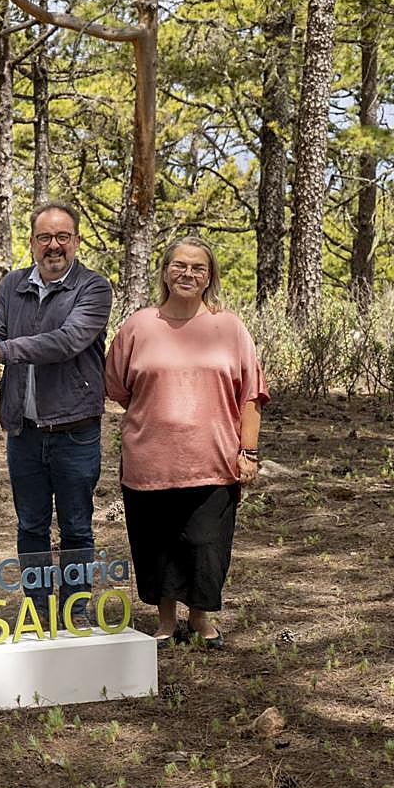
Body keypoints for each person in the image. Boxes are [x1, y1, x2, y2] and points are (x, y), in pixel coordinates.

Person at [105, 236, 267, 647]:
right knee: (154, 543)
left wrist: (247, 450)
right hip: (149, 461)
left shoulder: (228, 327)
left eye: (198, 268)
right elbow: (118, 387)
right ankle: (164, 622)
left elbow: (251, 393)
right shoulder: (139, 325)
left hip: (213, 460)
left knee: (205, 544)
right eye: (180, 265)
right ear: (165, 271)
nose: (188, 274)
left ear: (210, 276)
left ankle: (201, 619)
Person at [0, 200, 112, 624]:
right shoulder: (11, 285)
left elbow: (66, 341)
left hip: (75, 429)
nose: (54, 245)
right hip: (23, 430)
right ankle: (39, 610)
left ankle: (75, 609)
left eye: (63, 237)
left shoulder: (93, 288)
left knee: (77, 526)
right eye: (45, 237)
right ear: (32, 243)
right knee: (30, 526)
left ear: (77, 241)